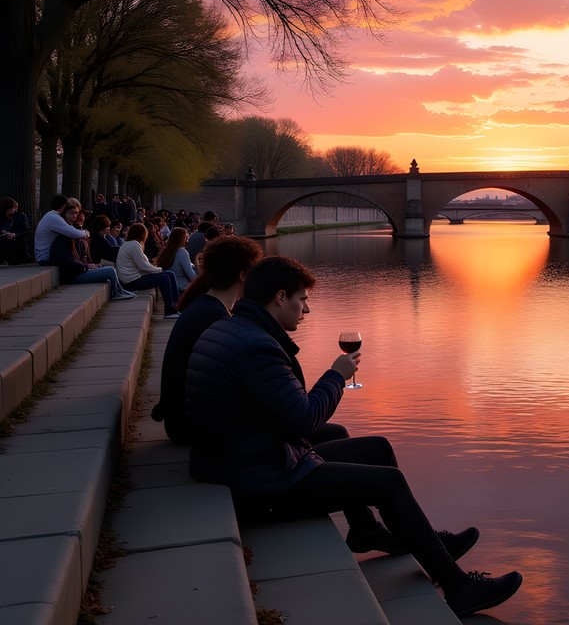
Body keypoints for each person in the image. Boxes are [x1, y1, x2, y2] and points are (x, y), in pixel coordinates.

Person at [185, 256, 523, 617]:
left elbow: (272, 412)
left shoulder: (235, 328)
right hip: (259, 483)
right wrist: (336, 376)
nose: (308, 310)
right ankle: (458, 587)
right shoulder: (257, 346)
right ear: (281, 297)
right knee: (388, 483)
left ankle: (373, 533)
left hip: (243, 458)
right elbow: (302, 419)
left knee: (377, 448)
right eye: (303, 300)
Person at [152, 235, 263, 444]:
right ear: (243, 275)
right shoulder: (214, 318)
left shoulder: (201, 307)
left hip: (180, 420)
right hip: (190, 427)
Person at [48, 204, 136, 300]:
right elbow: (67, 261)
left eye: (77, 216)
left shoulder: (77, 237)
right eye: (72, 215)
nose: (75, 217)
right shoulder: (63, 238)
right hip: (74, 275)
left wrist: (91, 265)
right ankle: (116, 293)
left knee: (110, 269)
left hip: (81, 270)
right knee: (110, 271)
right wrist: (86, 266)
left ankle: (121, 291)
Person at [115, 222, 180, 318]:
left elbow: (143, 265)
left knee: (170, 273)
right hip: (131, 281)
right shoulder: (134, 245)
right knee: (164, 278)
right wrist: (159, 270)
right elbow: (144, 266)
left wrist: (158, 269)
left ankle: (176, 306)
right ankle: (169, 311)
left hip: (133, 277)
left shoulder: (129, 244)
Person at [35, 195, 90, 264]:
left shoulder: (52, 215)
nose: (76, 216)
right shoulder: (54, 217)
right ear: (64, 206)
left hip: (47, 256)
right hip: (46, 258)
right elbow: (74, 233)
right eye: (74, 212)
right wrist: (86, 233)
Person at [155, 227, 197, 292]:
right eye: (186, 237)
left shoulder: (166, 251)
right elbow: (191, 276)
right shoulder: (182, 252)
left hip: (169, 286)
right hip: (182, 287)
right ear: (181, 239)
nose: (187, 240)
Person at [0, 197, 31, 265]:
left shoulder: (20, 216)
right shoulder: (2, 217)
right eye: (11, 208)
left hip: (15, 242)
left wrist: (14, 234)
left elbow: (24, 229)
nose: (14, 210)